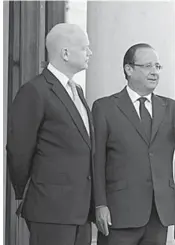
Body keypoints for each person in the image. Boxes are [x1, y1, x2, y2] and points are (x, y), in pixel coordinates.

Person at [93, 43, 175, 245]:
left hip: (158, 213)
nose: (155, 72)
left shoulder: (171, 108)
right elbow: (97, 161)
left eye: (158, 67)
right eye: (148, 66)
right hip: (120, 212)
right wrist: (100, 204)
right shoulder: (105, 107)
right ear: (129, 69)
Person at [7, 23, 94, 245]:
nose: (90, 53)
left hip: (80, 211)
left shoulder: (78, 91)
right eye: (85, 48)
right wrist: (33, 191)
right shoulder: (35, 90)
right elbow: (19, 150)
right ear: (65, 53)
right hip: (50, 209)